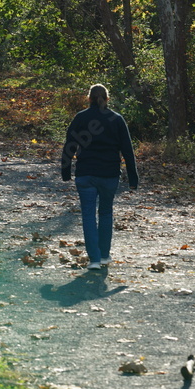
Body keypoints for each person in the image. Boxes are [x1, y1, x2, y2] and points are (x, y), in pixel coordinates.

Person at [60, 83, 138, 271]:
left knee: (88, 215)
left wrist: (66, 170)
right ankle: (104, 255)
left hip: (86, 174)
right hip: (109, 174)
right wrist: (133, 178)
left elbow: (69, 145)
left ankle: (94, 259)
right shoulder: (117, 119)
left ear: (89, 98)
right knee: (105, 213)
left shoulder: (81, 118)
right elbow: (128, 150)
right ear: (107, 98)